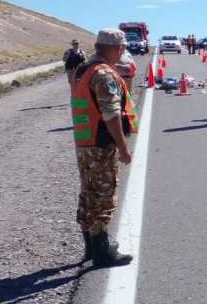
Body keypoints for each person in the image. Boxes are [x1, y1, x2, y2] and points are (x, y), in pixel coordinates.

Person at [70, 29, 137, 267]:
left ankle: (91, 246)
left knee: (88, 192)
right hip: (100, 144)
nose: (122, 52)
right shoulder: (104, 74)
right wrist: (123, 147)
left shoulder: (83, 70)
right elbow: (111, 114)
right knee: (102, 195)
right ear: (114, 48)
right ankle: (101, 252)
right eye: (121, 48)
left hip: (84, 142)